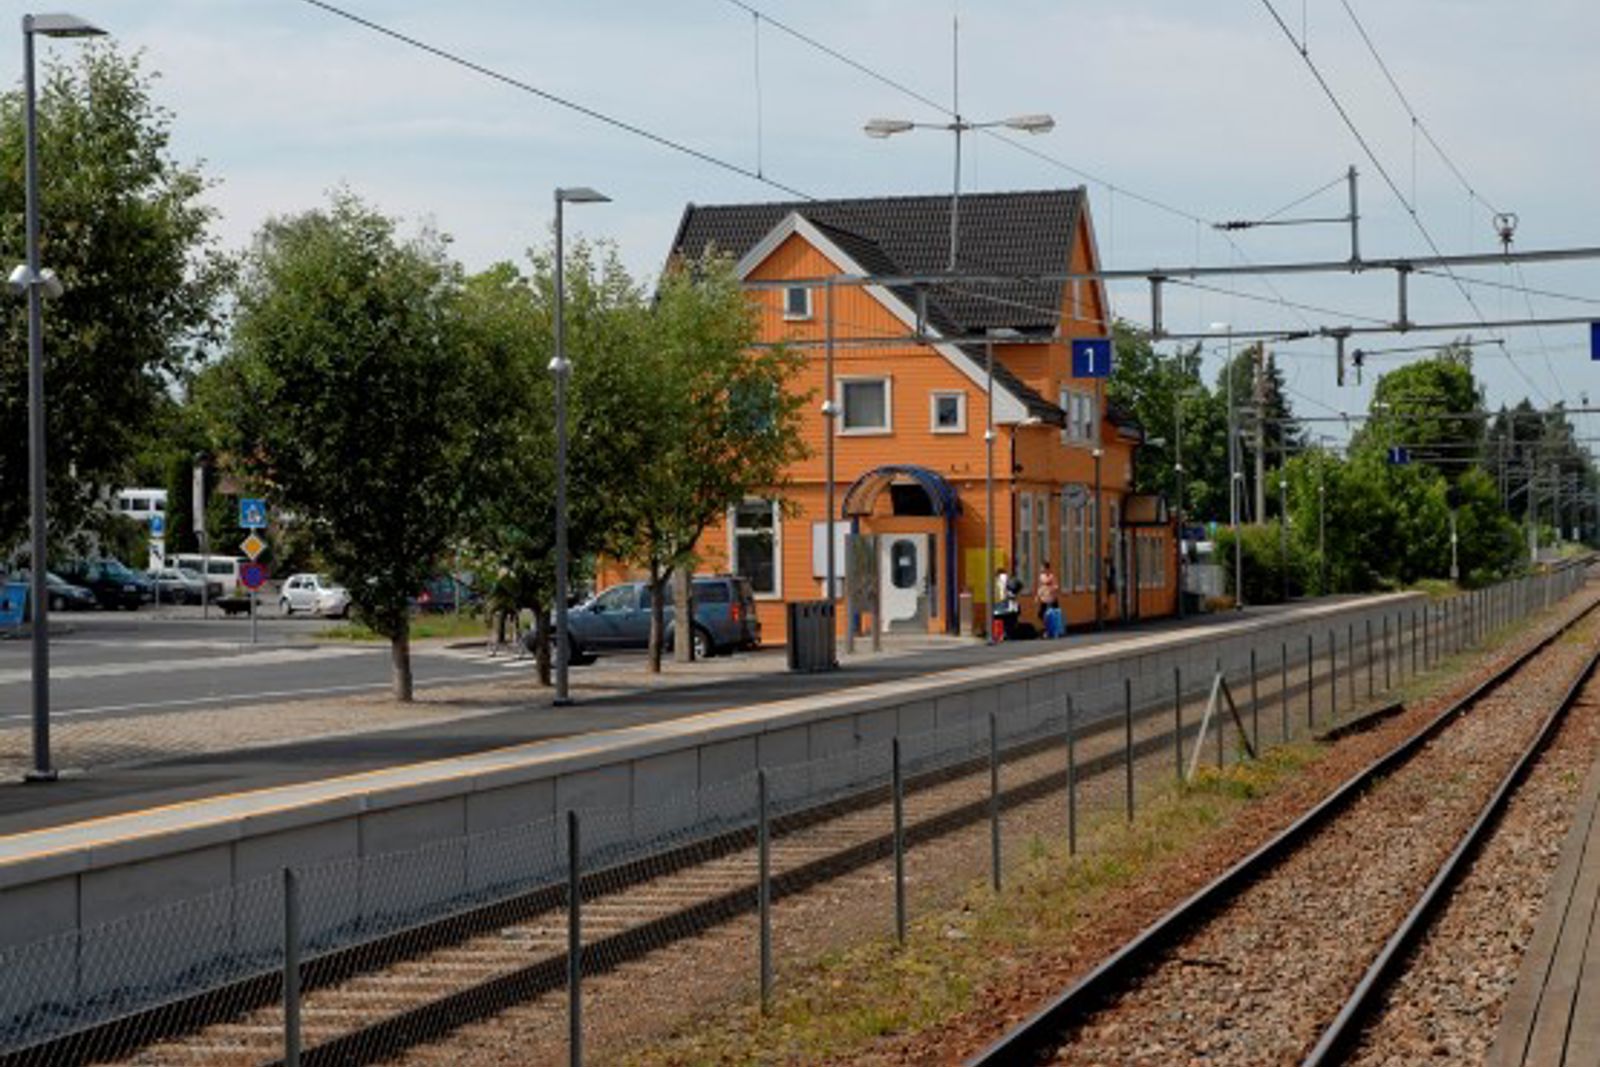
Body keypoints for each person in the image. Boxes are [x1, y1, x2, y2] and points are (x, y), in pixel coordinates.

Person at [1037, 560, 1061, 638]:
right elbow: (1040, 587)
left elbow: (1056, 586)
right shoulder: (1041, 577)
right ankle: (1046, 629)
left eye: (1042, 568)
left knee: (1051, 615)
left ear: (1047, 568)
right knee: (1041, 614)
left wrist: (1051, 588)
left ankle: (1051, 631)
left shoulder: (1052, 576)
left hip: (1051, 599)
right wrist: (1038, 596)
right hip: (1044, 598)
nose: (1041, 569)